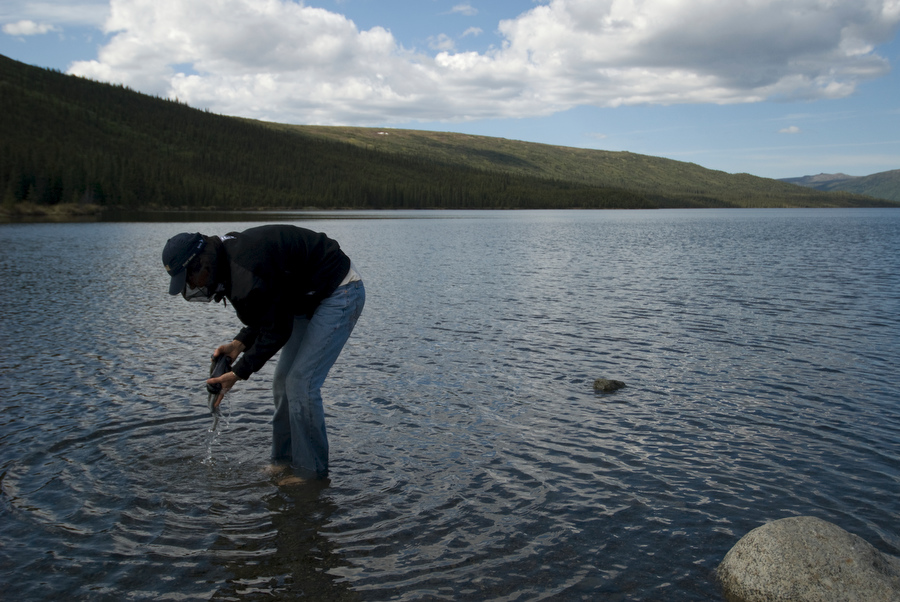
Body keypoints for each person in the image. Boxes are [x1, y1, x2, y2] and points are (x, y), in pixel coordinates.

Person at [162, 225, 365, 482]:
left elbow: (278, 330)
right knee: (282, 384)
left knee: (301, 384)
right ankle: (282, 462)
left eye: (188, 279)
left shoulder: (244, 267)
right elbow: (268, 310)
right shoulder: (227, 263)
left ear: (201, 264)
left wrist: (237, 373)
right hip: (303, 299)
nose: (190, 286)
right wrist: (237, 345)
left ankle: (310, 474)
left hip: (339, 291)